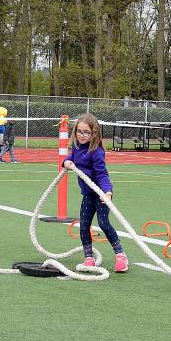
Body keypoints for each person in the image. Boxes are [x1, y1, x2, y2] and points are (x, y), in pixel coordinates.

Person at [62, 114, 128, 273]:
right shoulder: (77, 145)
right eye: (79, 131)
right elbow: (70, 157)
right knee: (84, 225)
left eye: (86, 132)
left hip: (101, 194)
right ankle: (88, 257)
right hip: (87, 193)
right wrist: (66, 161)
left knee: (103, 223)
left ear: (94, 133)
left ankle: (120, 255)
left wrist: (107, 192)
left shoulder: (96, 151)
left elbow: (102, 174)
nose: (82, 135)